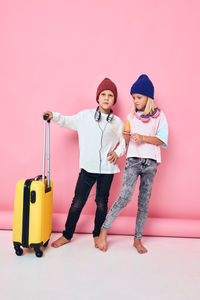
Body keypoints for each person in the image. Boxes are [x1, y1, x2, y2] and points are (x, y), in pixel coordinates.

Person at [43, 78, 126, 248]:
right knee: (77, 202)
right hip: (88, 168)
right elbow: (67, 120)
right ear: (98, 97)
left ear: (114, 100)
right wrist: (54, 116)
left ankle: (97, 234)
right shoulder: (85, 116)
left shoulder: (117, 122)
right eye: (103, 94)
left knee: (102, 203)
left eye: (110, 95)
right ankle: (67, 234)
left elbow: (124, 142)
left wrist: (117, 152)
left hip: (107, 170)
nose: (106, 98)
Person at [96, 74, 168, 254]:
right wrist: (126, 137)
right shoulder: (130, 117)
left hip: (150, 163)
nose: (135, 101)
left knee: (144, 202)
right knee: (125, 197)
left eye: (139, 97)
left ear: (148, 97)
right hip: (133, 161)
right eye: (134, 98)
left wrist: (143, 138)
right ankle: (103, 231)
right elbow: (125, 141)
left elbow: (162, 140)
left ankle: (137, 239)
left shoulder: (160, 116)